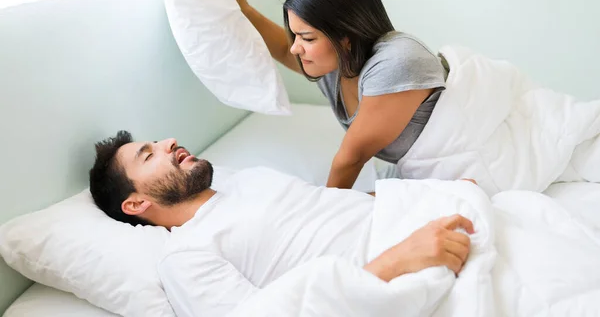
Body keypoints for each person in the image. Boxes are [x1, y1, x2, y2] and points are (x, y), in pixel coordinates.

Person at [89, 131, 474, 316]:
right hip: (404, 272)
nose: (168, 142)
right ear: (136, 202)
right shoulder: (185, 256)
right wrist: (400, 260)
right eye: (148, 154)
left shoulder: (242, 179)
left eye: (156, 141)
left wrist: (433, 193)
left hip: (427, 222)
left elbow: (337, 206)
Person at [230, 0, 448, 190]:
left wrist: (327, 210)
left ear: (346, 37)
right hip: (419, 171)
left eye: (307, 38)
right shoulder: (338, 60)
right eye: (295, 36)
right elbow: (285, 49)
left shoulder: (397, 64)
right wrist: (242, 8)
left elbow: (350, 159)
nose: (295, 47)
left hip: (462, 165)